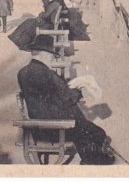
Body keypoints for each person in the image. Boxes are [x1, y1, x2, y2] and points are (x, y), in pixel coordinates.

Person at [17, 35, 116, 165]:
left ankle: (93, 157)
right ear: (45, 54)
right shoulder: (46, 73)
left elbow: (52, 95)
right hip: (54, 128)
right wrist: (80, 90)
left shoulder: (23, 73)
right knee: (96, 133)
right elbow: (66, 97)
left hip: (38, 125)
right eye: (52, 55)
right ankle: (94, 163)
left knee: (87, 128)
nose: (53, 59)